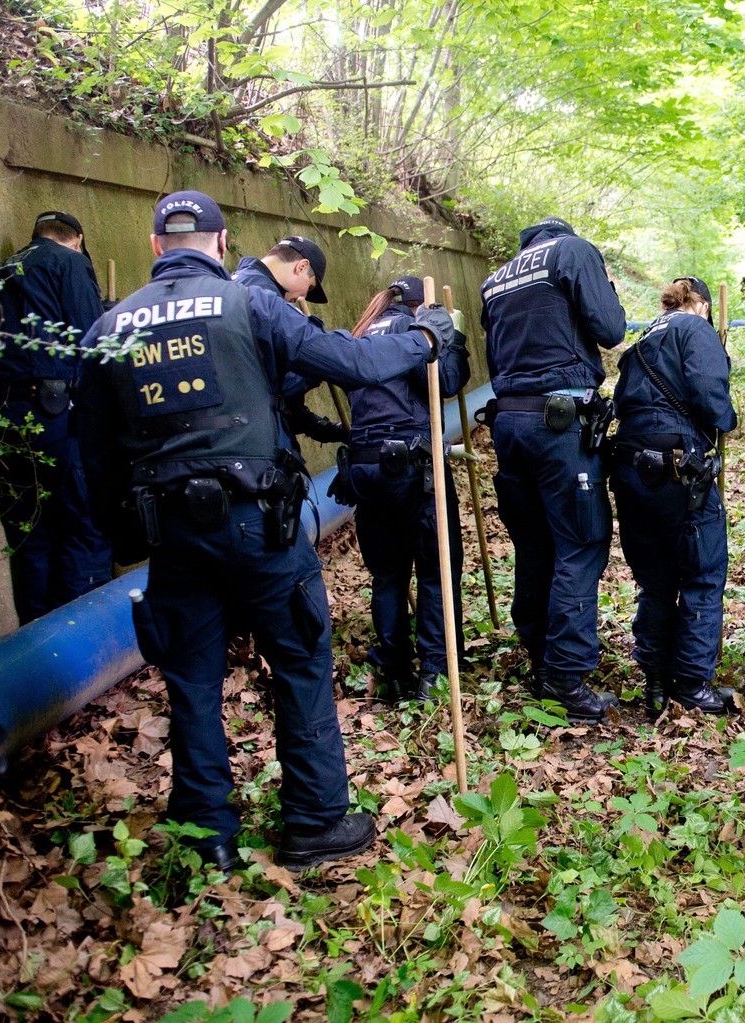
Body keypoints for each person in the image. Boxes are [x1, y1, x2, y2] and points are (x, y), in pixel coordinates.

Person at [75, 191, 457, 872]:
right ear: (224, 245)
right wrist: (427, 337)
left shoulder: (109, 327)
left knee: (191, 679)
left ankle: (207, 838)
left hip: (174, 537)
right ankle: (313, 821)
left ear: (156, 246)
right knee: (301, 660)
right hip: (261, 525)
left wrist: (133, 536)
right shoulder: (251, 304)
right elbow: (352, 362)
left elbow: (96, 460)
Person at [479, 216, 625, 722]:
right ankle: (566, 676)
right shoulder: (572, 252)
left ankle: (541, 660)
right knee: (581, 543)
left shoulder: (496, 277)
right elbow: (611, 329)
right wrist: (604, 288)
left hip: (510, 423)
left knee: (535, 545)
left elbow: (492, 355)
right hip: (558, 424)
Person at [0, 211, 113, 623]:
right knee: (83, 529)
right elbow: (91, 343)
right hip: (57, 421)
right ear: (77, 239)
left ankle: (38, 656)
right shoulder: (68, 263)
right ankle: (85, 645)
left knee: (28, 540)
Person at [334, 276, 469, 703]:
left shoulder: (359, 334)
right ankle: (434, 670)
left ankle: (393, 669)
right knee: (436, 569)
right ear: (420, 307)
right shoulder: (412, 336)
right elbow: (447, 381)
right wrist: (455, 338)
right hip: (412, 465)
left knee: (388, 575)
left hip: (365, 468)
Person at [609, 277, 737, 718]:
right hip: (679, 465)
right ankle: (692, 683)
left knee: (656, 580)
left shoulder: (641, 341)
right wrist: (727, 417)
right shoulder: (695, 327)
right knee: (702, 573)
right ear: (701, 305)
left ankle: (656, 680)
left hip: (630, 466)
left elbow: (622, 403)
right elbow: (710, 397)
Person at [231, 235, 348, 447]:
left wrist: (324, 428)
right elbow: (272, 387)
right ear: (301, 267)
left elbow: (282, 400)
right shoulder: (262, 301)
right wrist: (313, 367)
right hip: (256, 442)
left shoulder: (235, 285)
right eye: (310, 287)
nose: (303, 295)